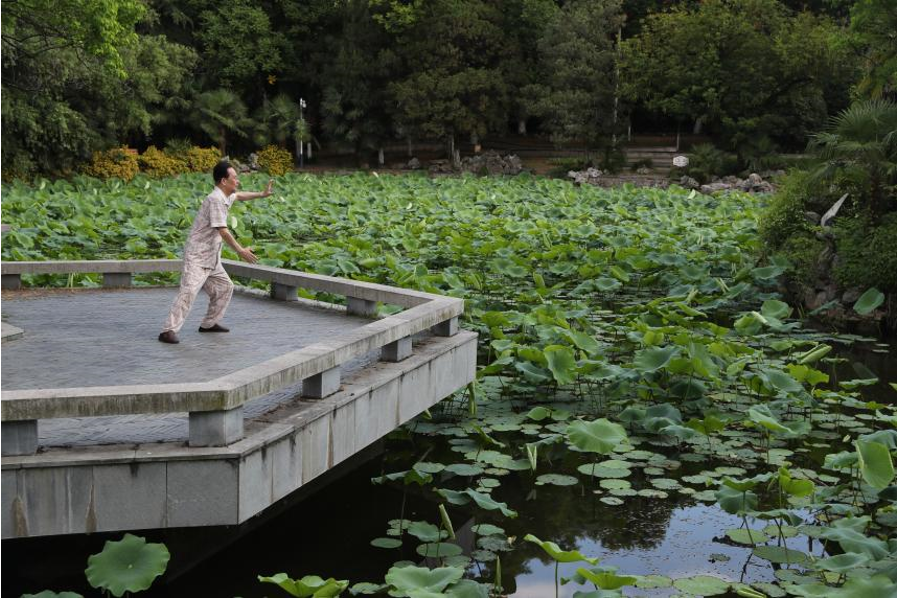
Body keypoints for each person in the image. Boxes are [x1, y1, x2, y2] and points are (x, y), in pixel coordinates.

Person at [158, 160, 273, 344]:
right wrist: (240, 251)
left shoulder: (226, 196)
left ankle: (209, 324)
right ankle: (167, 331)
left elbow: (240, 196)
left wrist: (262, 194)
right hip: (198, 255)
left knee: (225, 287)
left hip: (212, 257)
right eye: (234, 178)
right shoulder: (215, 199)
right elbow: (223, 231)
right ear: (223, 181)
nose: (238, 181)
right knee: (188, 292)